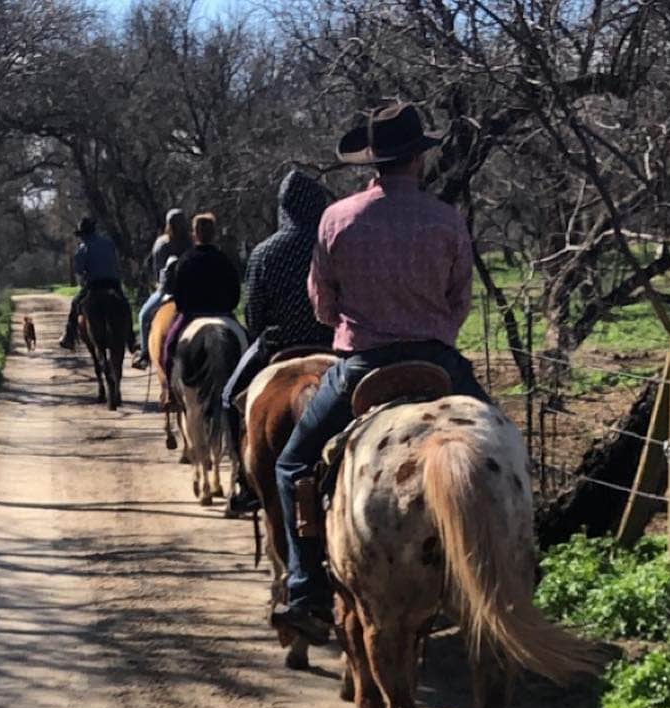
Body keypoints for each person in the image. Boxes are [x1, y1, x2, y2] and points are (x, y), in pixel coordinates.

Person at [270, 100, 490, 645]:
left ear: (370, 163)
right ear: (418, 159)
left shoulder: (337, 218)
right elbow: (459, 299)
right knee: (503, 453)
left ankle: (306, 592)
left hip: (361, 367)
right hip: (438, 363)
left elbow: (322, 304)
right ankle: (518, 566)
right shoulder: (446, 218)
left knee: (291, 462)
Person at [219, 169, 334, 517]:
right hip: (333, 344)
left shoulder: (265, 252)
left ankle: (244, 481)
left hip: (278, 344)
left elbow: (254, 314)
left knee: (228, 398)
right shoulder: (330, 244)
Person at [158, 212, 241, 404]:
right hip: (223, 314)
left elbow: (178, 296)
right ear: (214, 234)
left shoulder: (185, 260)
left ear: (194, 234)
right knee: (249, 344)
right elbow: (235, 293)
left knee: (169, 346)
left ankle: (169, 390)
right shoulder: (224, 259)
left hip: (192, 315)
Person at [58, 217, 132, 351]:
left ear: (83, 234)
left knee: (75, 303)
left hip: (94, 285)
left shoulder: (83, 248)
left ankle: (69, 337)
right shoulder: (108, 242)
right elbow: (115, 261)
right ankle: (131, 340)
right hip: (113, 284)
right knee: (125, 305)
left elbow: (80, 270)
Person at [133, 208, 190, 370]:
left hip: (168, 290)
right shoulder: (191, 241)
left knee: (143, 316)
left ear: (168, 224)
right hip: (192, 290)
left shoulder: (162, 243)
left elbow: (158, 273)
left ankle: (144, 353)